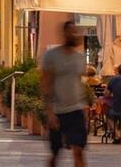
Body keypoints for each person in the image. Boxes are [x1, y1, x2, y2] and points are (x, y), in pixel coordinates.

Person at [38, 21, 88, 167]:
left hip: (77, 110)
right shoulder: (51, 56)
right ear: (65, 34)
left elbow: (79, 83)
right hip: (58, 111)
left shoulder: (80, 58)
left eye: (77, 32)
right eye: (72, 32)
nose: (76, 35)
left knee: (78, 151)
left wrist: (85, 106)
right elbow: (45, 84)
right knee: (55, 153)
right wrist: (49, 113)